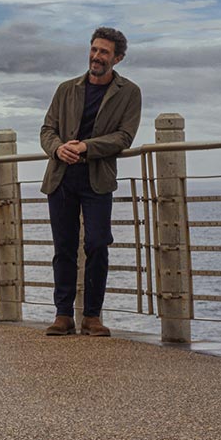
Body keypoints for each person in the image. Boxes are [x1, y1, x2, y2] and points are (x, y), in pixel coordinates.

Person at [38, 27, 142, 338]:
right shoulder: (66, 89)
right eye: (94, 49)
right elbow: (47, 129)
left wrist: (86, 147)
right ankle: (63, 315)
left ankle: (92, 317)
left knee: (97, 244)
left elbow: (124, 136)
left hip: (97, 178)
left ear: (117, 58)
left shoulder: (130, 92)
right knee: (64, 248)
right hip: (61, 177)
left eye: (104, 52)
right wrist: (58, 148)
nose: (96, 56)